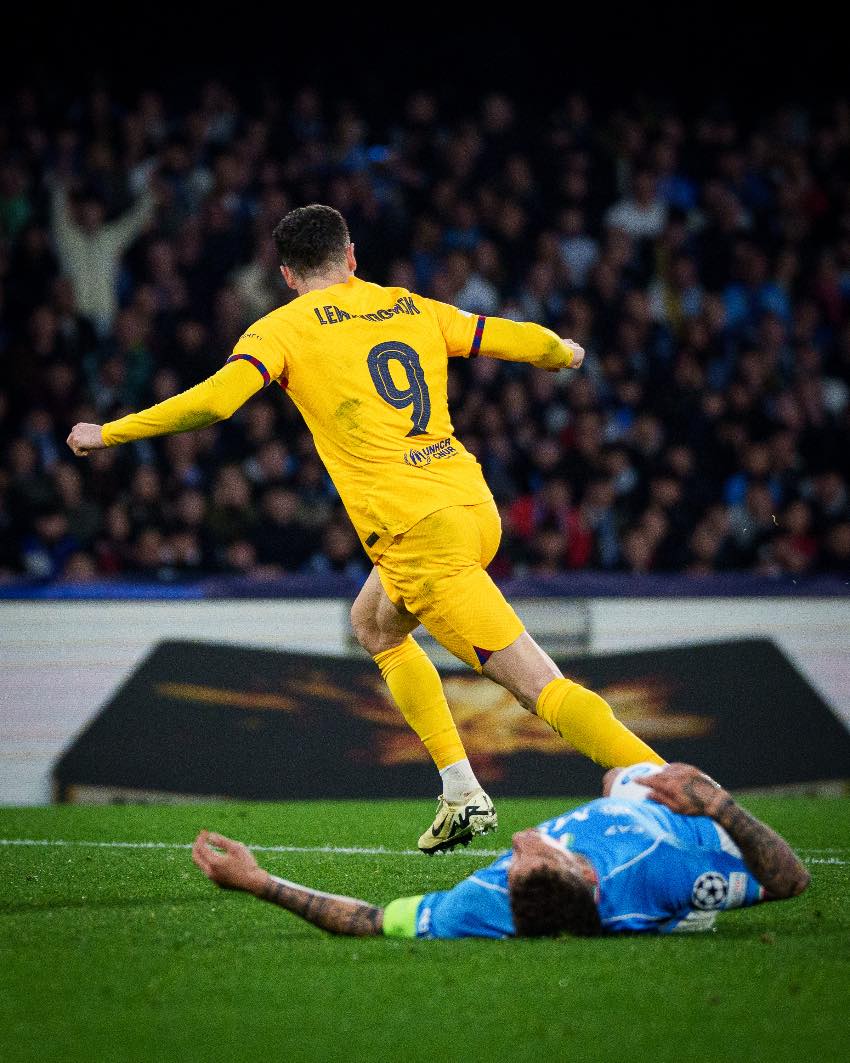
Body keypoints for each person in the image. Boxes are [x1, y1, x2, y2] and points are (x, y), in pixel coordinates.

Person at [68, 204, 664, 853]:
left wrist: (110, 432)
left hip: (419, 535)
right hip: (469, 503)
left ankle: (685, 795)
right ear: (351, 257)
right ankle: (462, 790)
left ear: (287, 275)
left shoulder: (281, 327)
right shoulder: (408, 305)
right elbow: (507, 335)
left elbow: (215, 401)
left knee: (537, 687)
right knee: (375, 623)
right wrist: (563, 351)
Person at [191, 762, 810, 939]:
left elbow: (370, 921)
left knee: (620, 777)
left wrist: (259, 882)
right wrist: (714, 805)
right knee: (639, 776)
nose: (519, 842)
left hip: (629, 809)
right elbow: (790, 881)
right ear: (582, 873)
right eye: (535, 855)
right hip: (691, 825)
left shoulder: (484, 907)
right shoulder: (661, 874)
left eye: (515, 864)